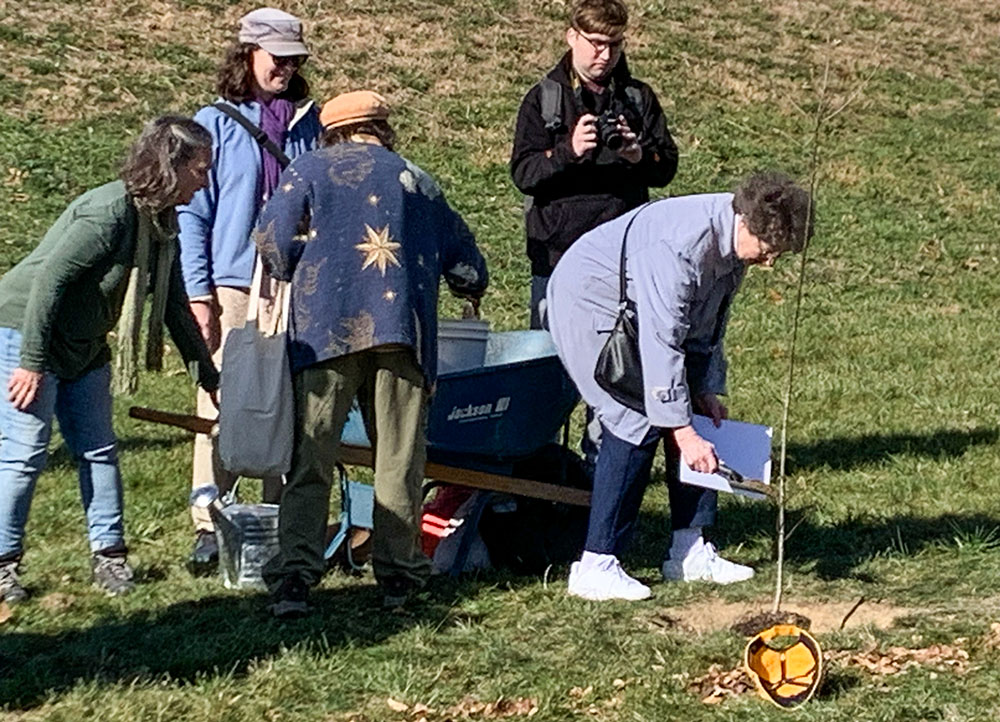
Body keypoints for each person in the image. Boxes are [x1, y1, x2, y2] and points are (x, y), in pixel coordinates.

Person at [252, 91, 489, 617]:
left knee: (311, 457)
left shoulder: (308, 167)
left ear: (332, 131)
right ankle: (399, 579)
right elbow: (467, 262)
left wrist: (296, 266)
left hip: (324, 334)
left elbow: (270, 238)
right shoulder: (415, 178)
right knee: (399, 461)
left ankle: (295, 579)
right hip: (402, 334)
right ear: (381, 128)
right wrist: (467, 284)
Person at [546, 172, 813, 601]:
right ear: (745, 224)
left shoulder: (731, 246)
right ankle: (596, 563)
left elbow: (710, 322)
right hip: (590, 306)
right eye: (768, 250)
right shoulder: (680, 247)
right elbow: (661, 338)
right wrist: (681, 430)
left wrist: (705, 386)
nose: (770, 262)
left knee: (693, 415)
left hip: (643, 317)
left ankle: (688, 550)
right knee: (632, 418)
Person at [0, 116, 219, 604]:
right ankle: (3, 565)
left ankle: (109, 556)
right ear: (170, 166)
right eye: (200, 170)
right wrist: (32, 362)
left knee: (99, 449)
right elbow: (47, 284)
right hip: (25, 331)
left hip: (85, 344)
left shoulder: (162, 224)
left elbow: (176, 306)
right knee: (25, 453)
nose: (205, 181)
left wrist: (207, 373)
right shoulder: (109, 213)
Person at [177, 6, 322, 572]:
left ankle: (272, 519)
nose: (285, 68)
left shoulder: (310, 123)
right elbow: (194, 213)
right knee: (223, 400)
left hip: (292, 280)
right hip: (233, 281)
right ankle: (209, 518)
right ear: (247, 55)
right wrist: (198, 292)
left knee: (283, 400)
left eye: (294, 60)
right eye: (276, 58)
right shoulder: (211, 122)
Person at [510, 0, 678, 330]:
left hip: (623, 258)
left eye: (614, 45)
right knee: (551, 360)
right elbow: (523, 173)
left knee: (620, 367)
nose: (605, 55)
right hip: (558, 257)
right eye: (596, 44)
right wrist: (566, 152)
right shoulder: (544, 99)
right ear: (572, 37)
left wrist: (638, 155)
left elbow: (667, 167)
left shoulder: (637, 97)